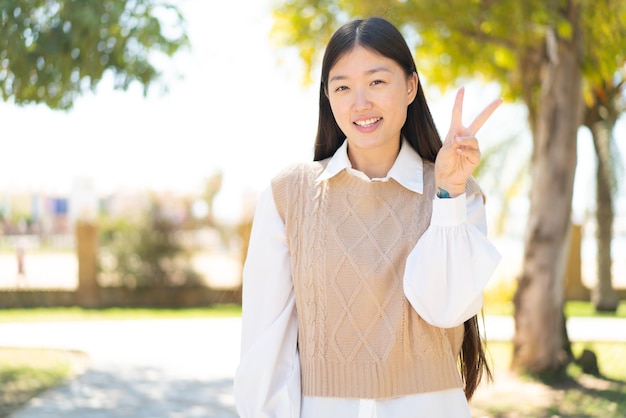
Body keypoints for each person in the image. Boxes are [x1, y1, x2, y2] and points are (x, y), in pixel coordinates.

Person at [234, 16, 502, 418]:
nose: (360, 102)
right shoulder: (288, 197)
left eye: (377, 81)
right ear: (328, 97)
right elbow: (264, 346)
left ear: (411, 86)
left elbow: (447, 309)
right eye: (342, 87)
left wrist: (447, 194)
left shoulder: (458, 193)